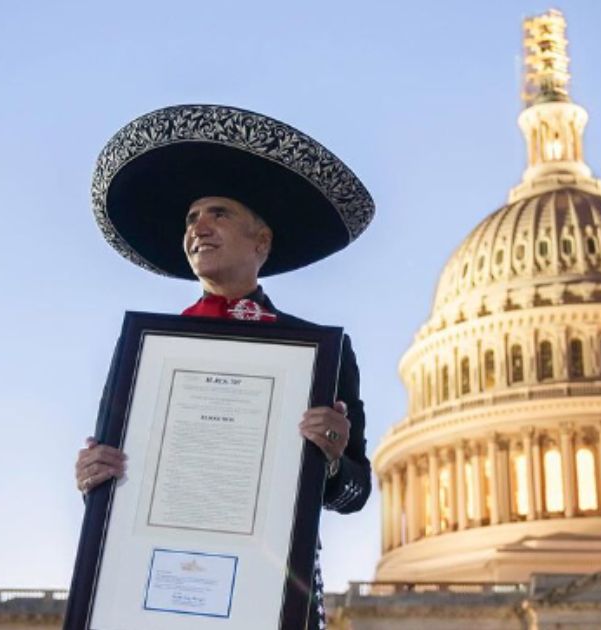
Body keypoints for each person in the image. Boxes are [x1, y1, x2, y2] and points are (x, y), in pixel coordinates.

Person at [69, 104, 376, 630]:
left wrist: (328, 459)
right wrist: (93, 478)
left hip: (270, 592)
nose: (199, 228)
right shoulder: (143, 354)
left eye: (219, 213)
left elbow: (355, 492)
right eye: (190, 219)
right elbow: (119, 480)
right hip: (156, 591)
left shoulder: (319, 354)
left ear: (262, 242)